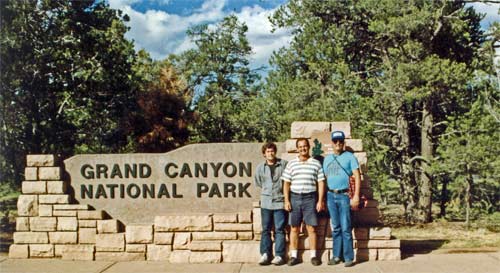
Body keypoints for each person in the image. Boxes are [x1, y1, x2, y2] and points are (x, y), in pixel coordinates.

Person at [281, 138, 325, 266]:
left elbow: (321, 183)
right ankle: (293, 256)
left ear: (308, 147)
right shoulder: (291, 164)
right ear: (297, 149)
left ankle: (314, 256)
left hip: (310, 198)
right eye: (300, 147)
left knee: (311, 228)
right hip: (295, 198)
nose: (303, 149)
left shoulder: (316, 163)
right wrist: (286, 200)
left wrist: (320, 200)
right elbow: (286, 183)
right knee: (294, 228)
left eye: (305, 146)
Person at [322, 131, 361, 267]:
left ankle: (349, 257)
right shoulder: (327, 159)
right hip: (331, 195)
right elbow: (324, 178)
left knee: (346, 227)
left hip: (345, 196)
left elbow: (357, 176)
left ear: (344, 143)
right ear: (332, 143)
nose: (338, 143)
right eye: (335, 141)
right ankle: (337, 256)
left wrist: (356, 196)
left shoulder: (350, 157)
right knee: (336, 228)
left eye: (340, 141)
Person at [254, 142, 288, 266]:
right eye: (268, 151)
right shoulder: (260, 168)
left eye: (272, 151)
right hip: (266, 202)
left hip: (279, 202)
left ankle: (279, 255)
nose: (270, 153)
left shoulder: (283, 164)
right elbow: (258, 182)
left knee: (279, 229)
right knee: (266, 229)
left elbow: (287, 181)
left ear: (275, 152)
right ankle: (265, 254)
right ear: (264, 153)